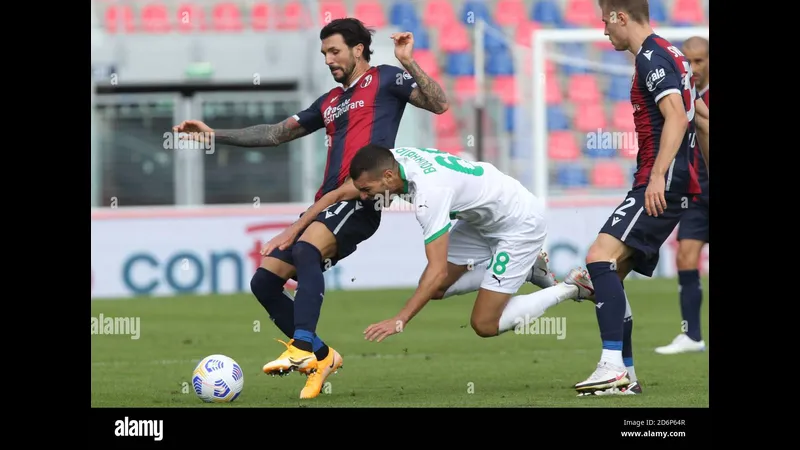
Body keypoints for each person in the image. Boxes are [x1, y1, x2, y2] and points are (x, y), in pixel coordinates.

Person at [172, 18, 460, 399]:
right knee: (265, 281)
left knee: (307, 249)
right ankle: (323, 356)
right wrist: (213, 134)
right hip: (325, 201)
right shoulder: (329, 103)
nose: (328, 59)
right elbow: (276, 133)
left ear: (358, 50)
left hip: (360, 197)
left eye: (335, 51)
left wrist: (408, 61)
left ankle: (303, 345)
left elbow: (440, 104)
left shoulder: (387, 79)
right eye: (324, 53)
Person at [311, 144, 591, 346]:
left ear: (387, 177)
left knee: (484, 324)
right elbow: (339, 193)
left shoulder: (429, 195)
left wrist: (400, 319)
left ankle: (571, 287)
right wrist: (295, 231)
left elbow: (436, 271)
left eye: (367, 191)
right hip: (482, 217)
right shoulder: (392, 160)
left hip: (519, 222)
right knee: (436, 290)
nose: (362, 197)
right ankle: (529, 270)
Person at [572, 0, 710, 396]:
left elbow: (677, 116)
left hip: (661, 180)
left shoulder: (652, 57)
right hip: (677, 180)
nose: (604, 31)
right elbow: (697, 115)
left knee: (599, 257)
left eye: (605, 21)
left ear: (619, 16)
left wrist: (659, 176)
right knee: (611, 273)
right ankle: (625, 376)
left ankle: (611, 366)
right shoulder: (674, 55)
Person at [655, 36, 709, 355]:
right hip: (698, 195)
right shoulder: (678, 99)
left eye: (700, 61)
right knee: (685, 256)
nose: (694, 68)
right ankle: (691, 335)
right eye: (688, 61)